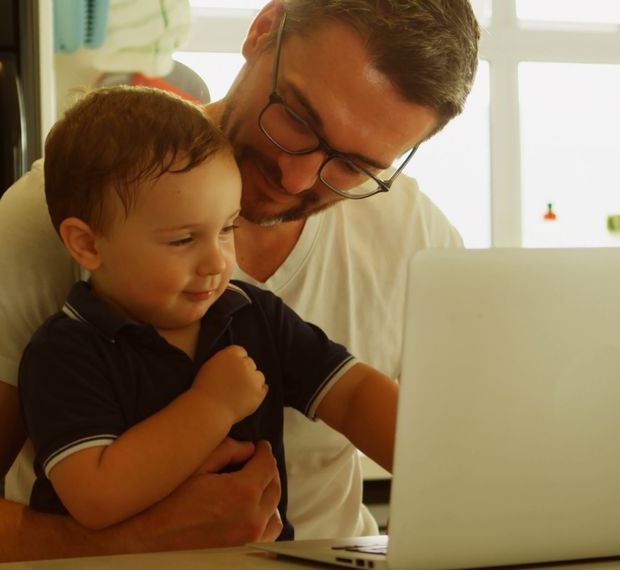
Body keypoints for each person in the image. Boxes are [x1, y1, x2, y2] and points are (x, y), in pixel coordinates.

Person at [0, 1, 479, 567]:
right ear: (263, 30)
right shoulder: (59, 218)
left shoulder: (416, 236)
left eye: (353, 166)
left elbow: (430, 437)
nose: (295, 178)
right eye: (294, 116)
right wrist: (132, 544)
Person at [20, 85, 398, 540]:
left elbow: (354, 396)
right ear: (87, 243)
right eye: (183, 240)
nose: (218, 261)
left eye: (226, 228)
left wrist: (455, 464)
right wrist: (212, 404)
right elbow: (96, 496)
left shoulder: (251, 313)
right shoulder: (66, 351)